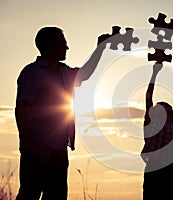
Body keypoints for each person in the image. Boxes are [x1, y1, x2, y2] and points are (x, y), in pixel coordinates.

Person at [15, 27, 111, 200]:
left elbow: (85, 73)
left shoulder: (65, 71)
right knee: (30, 193)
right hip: (37, 148)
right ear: (48, 46)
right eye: (62, 43)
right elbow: (22, 109)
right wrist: (28, 144)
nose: (66, 47)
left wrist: (100, 49)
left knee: (56, 195)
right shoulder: (33, 73)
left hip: (59, 148)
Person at [141, 63, 173, 200]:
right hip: (163, 171)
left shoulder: (170, 129)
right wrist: (154, 74)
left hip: (161, 171)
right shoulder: (157, 126)